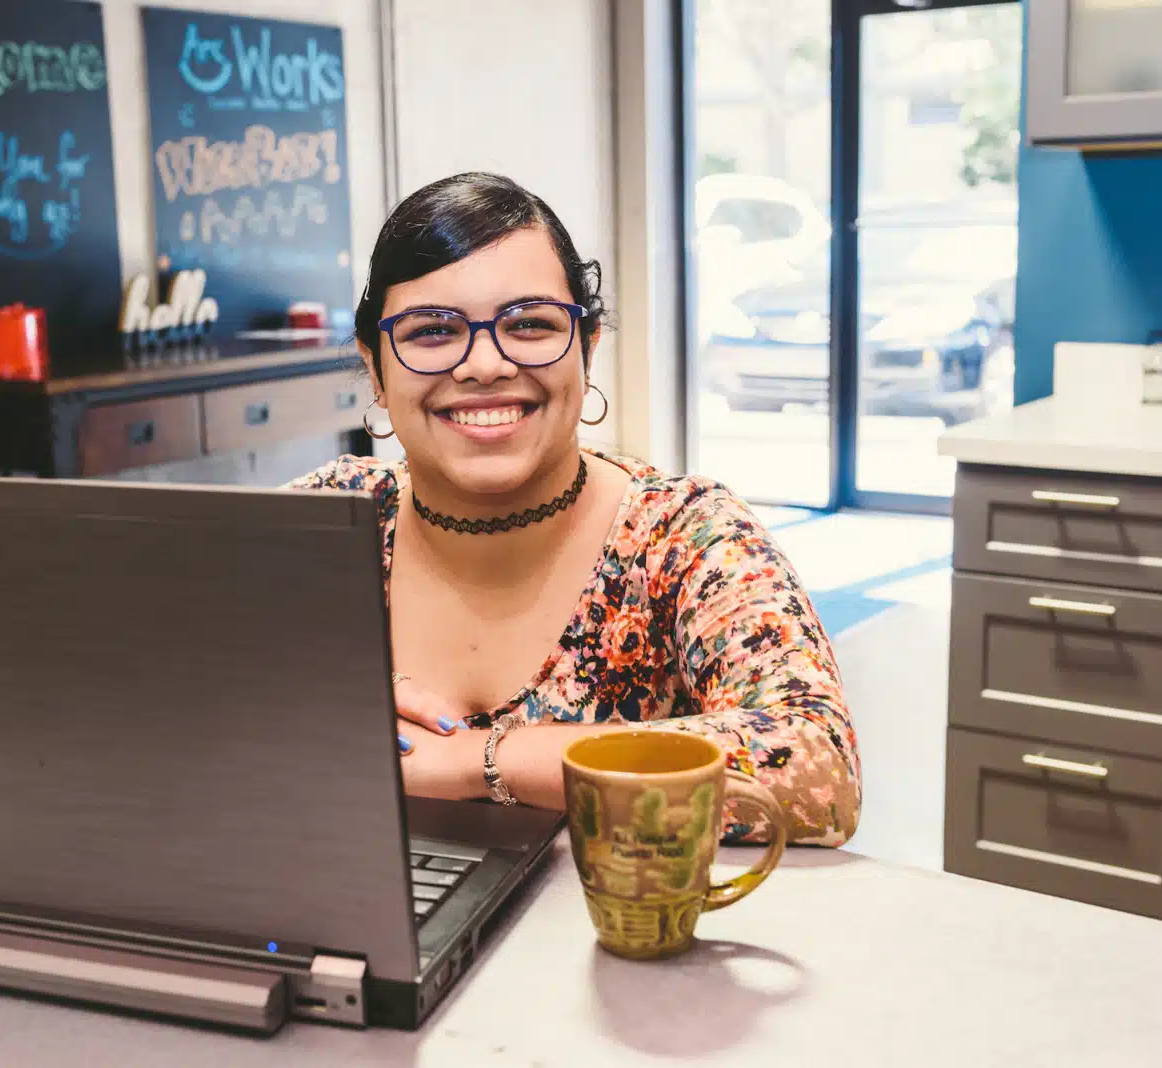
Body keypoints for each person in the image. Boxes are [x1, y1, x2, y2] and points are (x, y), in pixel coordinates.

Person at [288, 172, 859, 846]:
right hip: (357, 930)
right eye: (433, 332)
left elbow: (818, 770)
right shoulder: (324, 524)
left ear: (586, 348)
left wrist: (479, 761)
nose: (484, 364)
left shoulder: (685, 534)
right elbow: (159, 702)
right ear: (376, 367)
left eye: (528, 324)